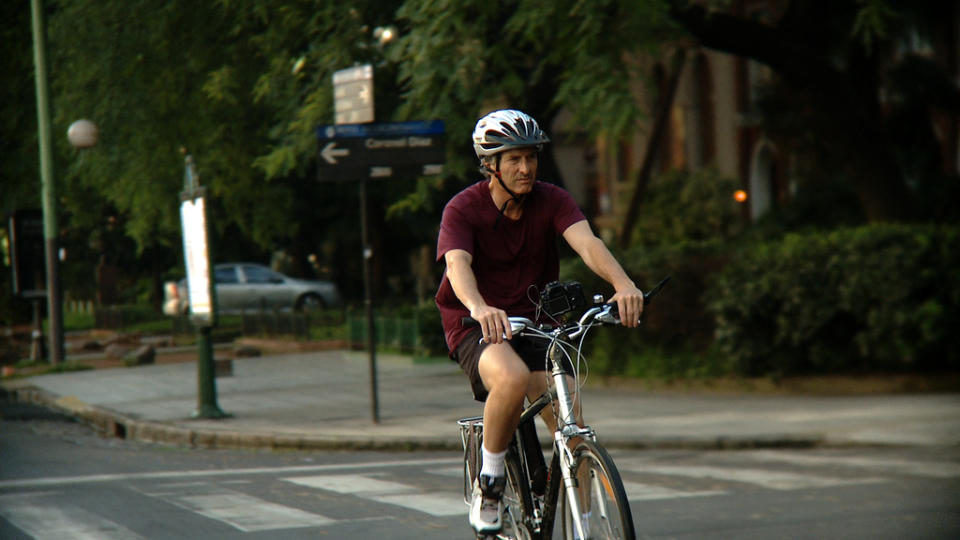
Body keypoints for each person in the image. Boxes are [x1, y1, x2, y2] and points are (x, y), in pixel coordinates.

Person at [435, 109, 644, 536]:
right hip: (479, 324)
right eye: (513, 159)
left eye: (531, 157)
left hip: (537, 322)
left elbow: (587, 242)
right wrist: (479, 307)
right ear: (490, 164)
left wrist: (624, 284)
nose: (526, 167)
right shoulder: (463, 209)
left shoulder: (552, 199)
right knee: (511, 378)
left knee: (569, 416)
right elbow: (457, 265)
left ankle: (581, 515)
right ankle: (490, 484)